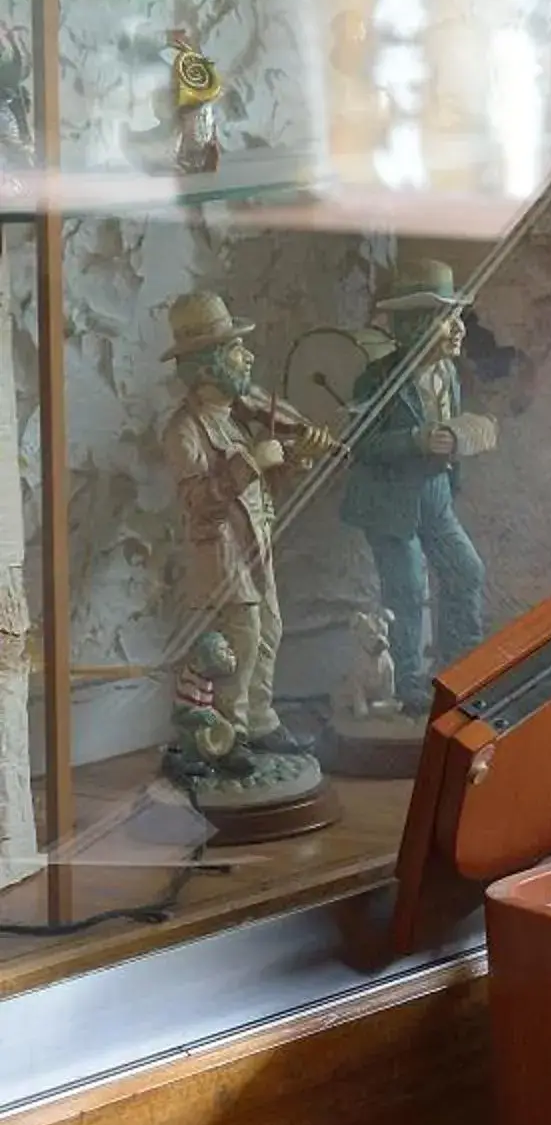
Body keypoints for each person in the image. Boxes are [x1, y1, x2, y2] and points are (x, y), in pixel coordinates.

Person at [159, 290, 323, 755]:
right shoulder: (184, 430)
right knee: (240, 644)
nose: (247, 357)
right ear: (208, 366)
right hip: (222, 555)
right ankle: (227, 738)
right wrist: (251, 462)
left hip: (255, 543)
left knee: (270, 629)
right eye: (235, 350)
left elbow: (259, 486)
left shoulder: (233, 419)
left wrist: (292, 464)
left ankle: (261, 719)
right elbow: (199, 501)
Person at [339, 260, 490, 713]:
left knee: (465, 571)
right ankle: (408, 685)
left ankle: (460, 667)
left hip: (436, 497)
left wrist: (461, 441)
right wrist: (416, 439)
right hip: (391, 502)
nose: (458, 329)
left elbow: (450, 427)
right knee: (405, 589)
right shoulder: (378, 379)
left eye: (457, 317)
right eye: (447, 319)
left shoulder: (448, 375)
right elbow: (359, 443)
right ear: (417, 324)